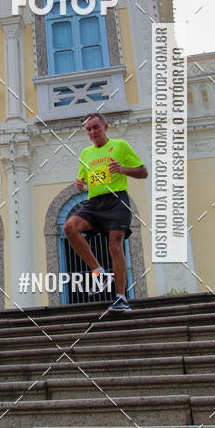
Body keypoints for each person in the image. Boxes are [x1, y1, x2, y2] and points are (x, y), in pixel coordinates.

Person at [64, 112, 148, 312]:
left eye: (96, 127)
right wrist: (80, 184)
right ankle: (98, 271)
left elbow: (143, 172)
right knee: (69, 227)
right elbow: (84, 181)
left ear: (105, 127)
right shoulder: (86, 153)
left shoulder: (120, 146)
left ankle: (121, 298)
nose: (92, 132)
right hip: (94, 202)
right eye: (88, 129)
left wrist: (122, 169)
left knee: (114, 243)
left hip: (117, 199)